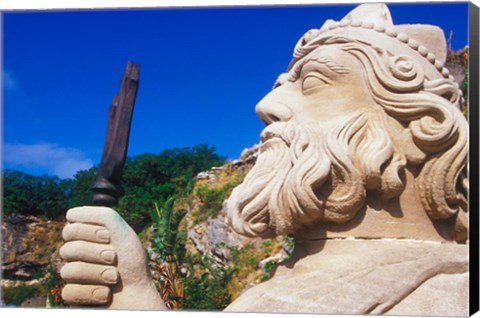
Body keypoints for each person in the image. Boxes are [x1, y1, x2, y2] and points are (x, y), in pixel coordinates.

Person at [60, 4, 469, 316]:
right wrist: (135, 292)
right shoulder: (287, 281)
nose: (265, 105)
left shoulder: (451, 294)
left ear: (424, 124)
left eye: (311, 81)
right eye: (279, 86)